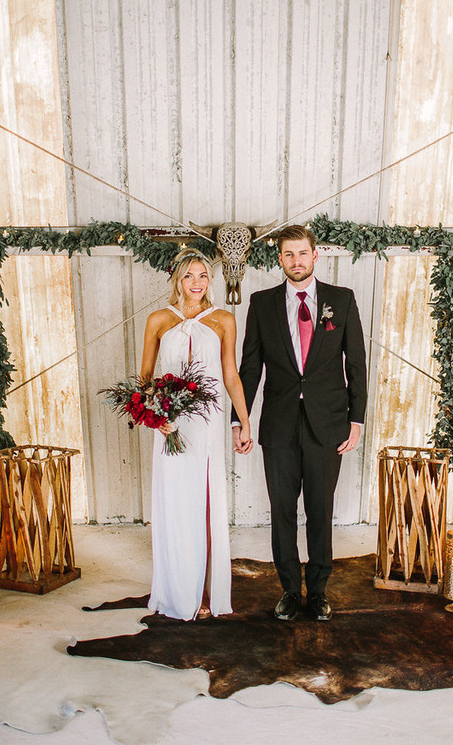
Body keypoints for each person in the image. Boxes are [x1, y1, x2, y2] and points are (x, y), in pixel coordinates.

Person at [232, 225, 367, 622]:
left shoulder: (341, 301)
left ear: (315, 256)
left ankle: (320, 591)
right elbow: (250, 367)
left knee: (321, 510)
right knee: (283, 511)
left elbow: (356, 365)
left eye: (302, 253)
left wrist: (356, 419)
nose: (296, 261)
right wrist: (241, 422)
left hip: (328, 425)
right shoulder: (262, 303)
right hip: (279, 425)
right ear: (279, 259)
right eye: (288, 254)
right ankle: (290, 590)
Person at [141, 248, 252, 621]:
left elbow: (231, 374)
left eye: (203, 275)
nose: (196, 283)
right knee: (174, 502)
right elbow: (145, 377)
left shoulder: (223, 319)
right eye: (189, 276)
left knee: (205, 502)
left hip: (206, 423)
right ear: (177, 279)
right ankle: (176, 589)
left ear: (211, 280)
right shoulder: (158, 319)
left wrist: (245, 420)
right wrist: (156, 415)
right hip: (170, 423)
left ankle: (206, 592)